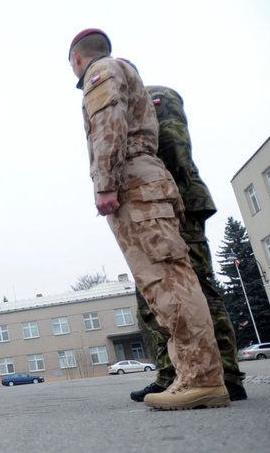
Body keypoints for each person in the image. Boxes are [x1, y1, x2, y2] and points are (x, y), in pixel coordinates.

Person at [68, 28, 227, 410]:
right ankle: (193, 373)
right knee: (164, 283)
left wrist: (104, 183)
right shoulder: (121, 72)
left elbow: (108, 125)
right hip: (143, 180)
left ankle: (202, 378)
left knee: (168, 280)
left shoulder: (101, 72)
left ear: (76, 59)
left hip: (133, 182)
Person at [129, 85, 247, 403]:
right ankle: (173, 374)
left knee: (196, 289)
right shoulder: (133, 104)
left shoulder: (155, 96)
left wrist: (161, 191)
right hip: (154, 208)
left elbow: (174, 148)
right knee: (154, 298)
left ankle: (225, 375)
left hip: (174, 206)